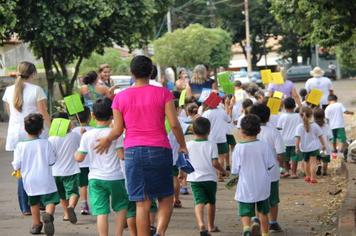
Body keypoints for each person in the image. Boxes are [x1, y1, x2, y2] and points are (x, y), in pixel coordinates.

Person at [95, 55, 187, 236]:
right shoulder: (163, 94)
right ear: (151, 72)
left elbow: (118, 130)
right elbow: (174, 124)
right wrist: (183, 145)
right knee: (166, 197)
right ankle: (159, 232)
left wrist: (106, 140)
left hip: (133, 152)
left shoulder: (120, 97)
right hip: (160, 149)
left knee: (141, 203)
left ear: (131, 72)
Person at [2, 61, 51, 215]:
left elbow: (9, 112)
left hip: (16, 134)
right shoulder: (37, 90)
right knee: (39, 167)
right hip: (34, 133)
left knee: (21, 171)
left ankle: (25, 207)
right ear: (33, 73)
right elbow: (43, 113)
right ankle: (40, 202)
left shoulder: (9, 90)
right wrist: (51, 131)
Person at [75, 98, 129, 236]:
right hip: (115, 177)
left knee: (101, 212)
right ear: (112, 115)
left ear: (93, 115)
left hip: (95, 178)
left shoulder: (87, 135)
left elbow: (79, 158)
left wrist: (77, 149)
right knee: (122, 207)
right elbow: (121, 155)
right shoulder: (116, 135)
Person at [12, 113, 59, 236]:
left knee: (33, 203)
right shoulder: (46, 143)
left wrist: (16, 168)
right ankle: (48, 215)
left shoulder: (20, 145)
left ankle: (36, 225)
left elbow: (16, 164)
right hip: (45, 178)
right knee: (50, 200)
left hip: (30, 180)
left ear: (25, 128)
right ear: (41, 129)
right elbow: (52, 161)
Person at [231, 114, 276, 236]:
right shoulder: (264, 145)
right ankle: (265, 233)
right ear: (259, 130)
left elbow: (235, 170)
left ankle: (246, 228)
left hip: (245, 185)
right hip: (263, 185)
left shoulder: (239, 148)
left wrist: (231, 182)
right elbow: (270, 165)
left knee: (245, 211)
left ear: (242, 131)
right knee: (263, 212)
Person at [187, 117, 227, 235]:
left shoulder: (188, 145)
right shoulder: (212, 144)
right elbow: (215, 163)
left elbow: (185, 162)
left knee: (199, 202)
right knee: (211, 202)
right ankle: (211, 226)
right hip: (210, 178)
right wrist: (223, 171)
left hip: (194, 179)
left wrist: (182, 174)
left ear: (193, 131)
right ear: (209, 130)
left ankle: (201, 224)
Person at [249, 104, 285, 232]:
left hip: (254, 171)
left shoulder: (249, 133)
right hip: (272, 171)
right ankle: (273, 222)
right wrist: (281, 165)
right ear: (268, 117)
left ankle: (255, 219)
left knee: (256, 196)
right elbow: (280, 153)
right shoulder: (273, 131)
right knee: (273, 199)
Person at [49, 112, 81, 224]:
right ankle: (71, 207)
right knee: (73, 192)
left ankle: (66, 214)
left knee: (62, 195)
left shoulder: (51, 139)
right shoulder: (75, 136)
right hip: (71, 171)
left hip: (55, 172)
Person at [202, 99, 231, 182]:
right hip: (221, 137)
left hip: (210, 138)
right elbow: (228, 120)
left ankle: (213, 174)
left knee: (212, 157)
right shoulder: (222, 111)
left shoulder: (206, 113)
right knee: (221, 157)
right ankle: (220, 176)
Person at [296, 107, 326, 184]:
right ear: (311, 115)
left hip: (304, 148)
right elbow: (320, 136)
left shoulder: (299, 127)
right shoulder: (315, 125)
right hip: (314, 148)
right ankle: (313, 177)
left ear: (300, 115)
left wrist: (297, 148)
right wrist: (323, 145)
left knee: (306, 162)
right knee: (313, 163)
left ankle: (308, 176)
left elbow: (297, 139)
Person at [72, 106, 92, 215]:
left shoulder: (73, 131)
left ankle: (84, 204)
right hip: (93, 162)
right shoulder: (93, 130)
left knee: (83, 185)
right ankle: (96, 203)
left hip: (81, 163)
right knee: (93, 184)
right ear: (90, 117)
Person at [277, 98, 302, 178]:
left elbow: (279, 128)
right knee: (294, 157)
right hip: (295, 140)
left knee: (286, 157)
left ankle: (287, 171)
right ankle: (294, 173)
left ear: (284, 106)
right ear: (294, 106)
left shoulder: (282, 116)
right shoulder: (299, 116)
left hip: (284, 140)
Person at [324, 94, 354, 160]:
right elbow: (345, 111)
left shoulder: (327, 108)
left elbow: (326, 119)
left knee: (333, 140)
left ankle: (335, 151)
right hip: (340, 125)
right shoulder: (339, 104)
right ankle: (344, 152)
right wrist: (351, 113)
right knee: (343, 140)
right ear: (336, 100)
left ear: (328, 101)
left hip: (331, 127)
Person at [313, 108, 333, 176]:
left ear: (314, 116)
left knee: (317, 158)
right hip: (325, 146)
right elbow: (330, 137)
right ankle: (324, 172)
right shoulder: (326, 126)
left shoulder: (313, 126)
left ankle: (318, 165)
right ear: (324, 116)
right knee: (325, 160)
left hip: (315, 146)